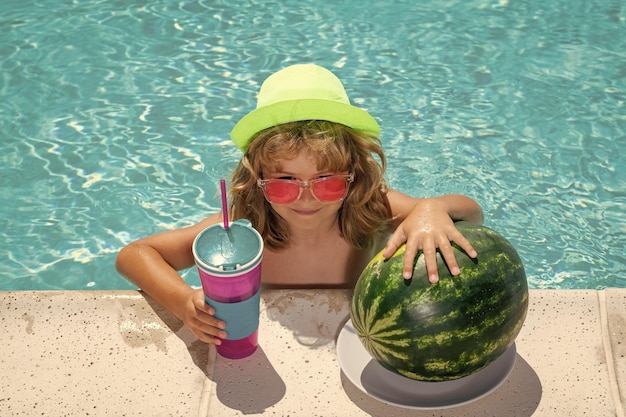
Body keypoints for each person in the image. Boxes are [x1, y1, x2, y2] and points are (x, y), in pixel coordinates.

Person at [116, 64, 484, 345]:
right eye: (284, 182)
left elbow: (472, 214)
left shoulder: (372, 210)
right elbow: (134, 254)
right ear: (258, 182)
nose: (306, 197)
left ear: (354, 175)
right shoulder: (245, 228)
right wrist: (182, 300)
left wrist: (431, 209)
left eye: (328, 180)